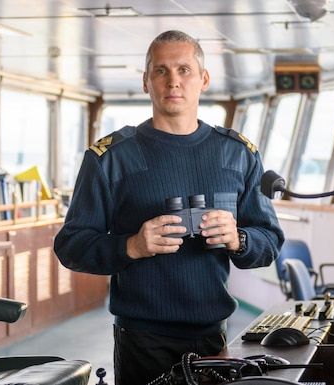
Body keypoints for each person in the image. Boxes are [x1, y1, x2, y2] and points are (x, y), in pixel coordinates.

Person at [54, 30, 284, 385]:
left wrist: (238, 238)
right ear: (146, 82)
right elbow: (71, 245)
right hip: (141, 339)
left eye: (184, 70)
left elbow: (269, 241)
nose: (173, 81)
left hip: (213, 336)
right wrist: (131, 246)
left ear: (203, 79)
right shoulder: (110, 158)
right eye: (161, 71)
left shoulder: (238, 154)